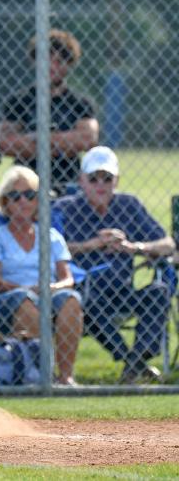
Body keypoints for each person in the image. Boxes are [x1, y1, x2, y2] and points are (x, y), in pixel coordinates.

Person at [53, 146, 176, 383]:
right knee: (83, 300)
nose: (101, 184)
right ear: (81, 181)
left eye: (107, 178)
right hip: (85, 290)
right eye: (93, 178)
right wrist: (92, 245)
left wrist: (134, 247)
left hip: (122, 290)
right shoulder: (64, 208)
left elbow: (168, 243)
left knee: (158, 292)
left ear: (116, 181)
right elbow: (47, 248)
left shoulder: (128, 205)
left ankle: (135, 362)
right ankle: (134, 363)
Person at [0, 165, 83, 385]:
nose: (23, 201)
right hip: (9, 297)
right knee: (26, 301)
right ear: (5, 203)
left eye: (29, 195)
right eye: (15, 196)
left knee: (71, 301)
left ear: (38, 201)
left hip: (48, 293)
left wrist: (49, 289)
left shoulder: (52, 236)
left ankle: (65, 378)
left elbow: (68, 279)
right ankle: (39, 376)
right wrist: (24, 290)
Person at [0, 29, 99, 196]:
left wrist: (37, 140)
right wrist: (64, 143)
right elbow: (5, 142)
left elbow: (88, 139)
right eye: (47, 60)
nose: (53, 66)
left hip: (68, 182)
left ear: (69, 65)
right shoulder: (18, 101)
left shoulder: (80, 103)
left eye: (60, 61)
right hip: (25, 187)